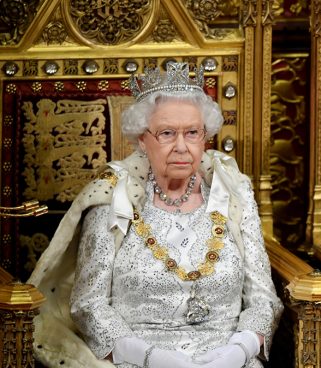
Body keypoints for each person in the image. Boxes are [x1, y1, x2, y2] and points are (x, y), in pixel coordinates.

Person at [27, 62, 283, 368]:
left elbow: (264, 298)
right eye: (166, 133)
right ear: (141, 139)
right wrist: (151, 357)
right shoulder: (112, 198)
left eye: (192, 133)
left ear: (205, 137)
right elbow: (88, 304)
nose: (181, 147)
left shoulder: (234, 194)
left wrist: (237, 352)